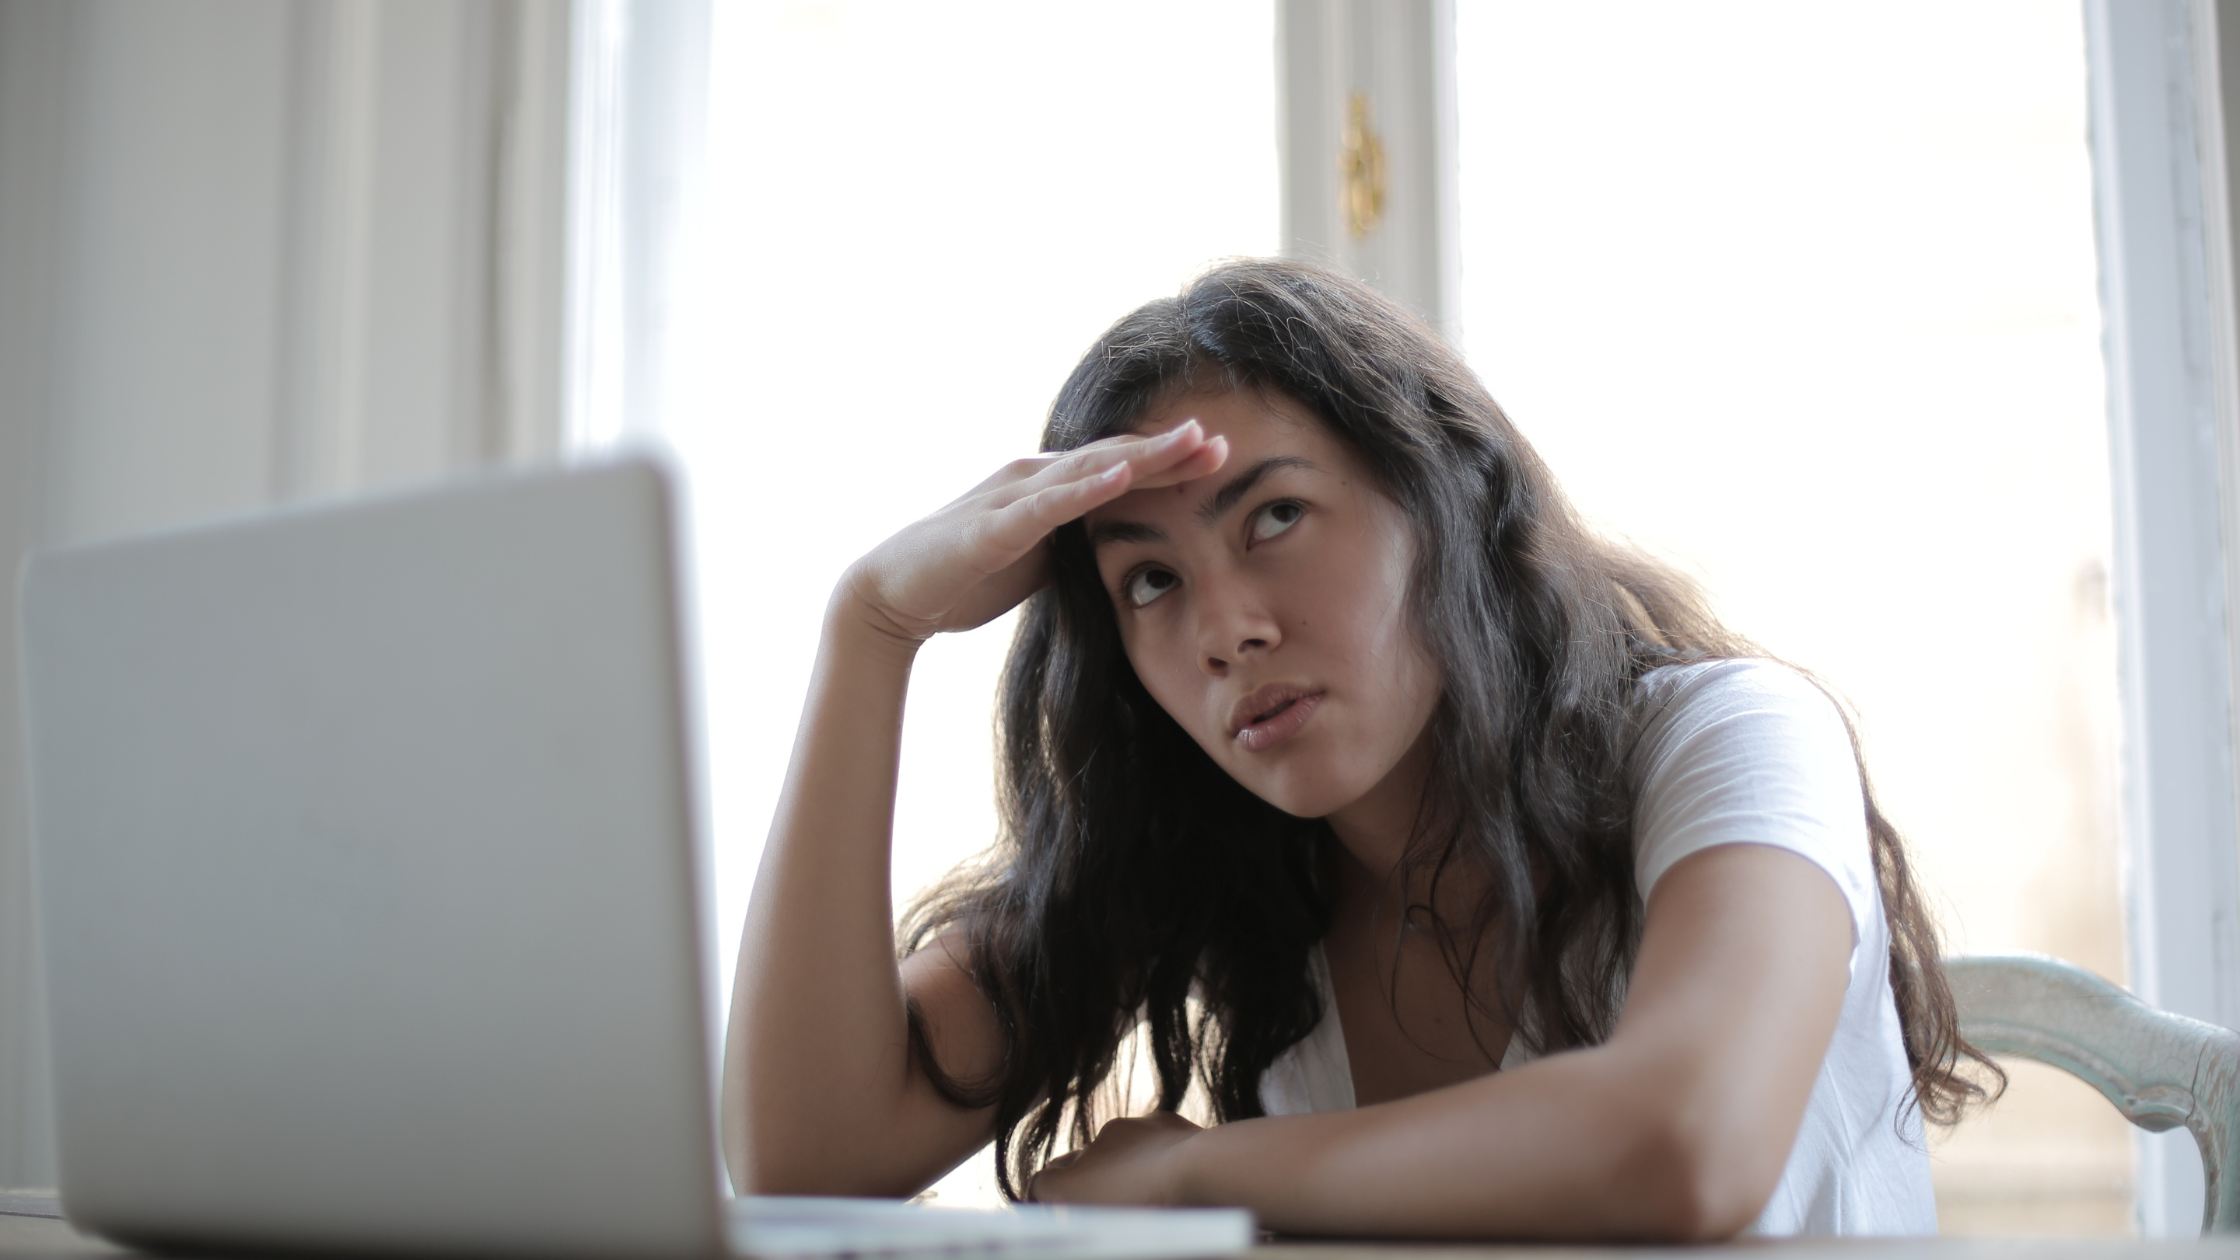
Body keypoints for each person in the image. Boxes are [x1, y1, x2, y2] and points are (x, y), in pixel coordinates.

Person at [720, 259, 1995, 1240]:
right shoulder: (1214, 848)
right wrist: (869, 628)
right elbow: (807, 1159)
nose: (1226, 628)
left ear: (1445, 500)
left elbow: (1688, 1142)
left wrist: (1191, 1173)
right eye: (1150, 581)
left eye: (1273, 514)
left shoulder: (1729, 738)